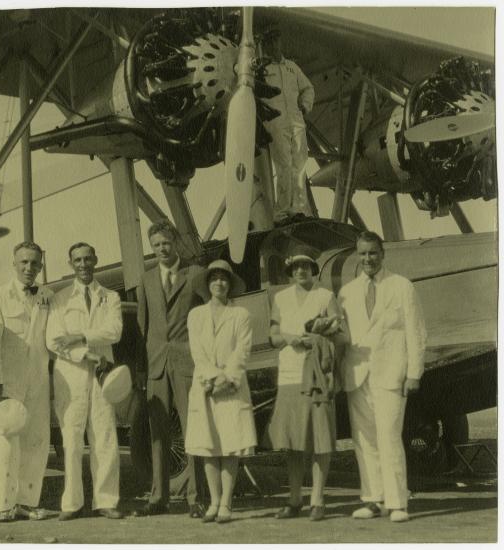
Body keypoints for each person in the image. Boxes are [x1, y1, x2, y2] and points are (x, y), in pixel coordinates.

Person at [338, 231, 427, 523]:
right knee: (363, 440)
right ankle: (373, 499)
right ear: (357, 254)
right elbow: (343, 336)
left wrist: (414, 373)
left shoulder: (401, 286)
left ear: (382, 254)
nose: (368, 259)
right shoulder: (347, 292)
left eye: (373, 253)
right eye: (362, 254)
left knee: (389, 437)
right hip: (357, 374)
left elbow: (415, 333)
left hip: (391, 374)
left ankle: (397, 502)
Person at [265, 245, 348, 521]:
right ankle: (295, 498)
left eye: (306, 266)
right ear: (290, 271)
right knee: (294, 441)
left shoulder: (325, 296)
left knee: (320, 439)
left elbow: (341, 336)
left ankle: (318, 499)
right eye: (296, 266)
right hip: (290, 375)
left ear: (314, 269)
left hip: (318, 375)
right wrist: (290, 338)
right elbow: (274, 335)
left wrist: (322, 344)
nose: (301, 270)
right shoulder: (281, 298)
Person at [46, 242, 124, 520]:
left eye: (87, 259)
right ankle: (72, 503)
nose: (83, 264)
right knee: (72, 438)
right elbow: (54, 339)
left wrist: (79, 337)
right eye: (77, 260)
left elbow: (114, 331)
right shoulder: (61, 298)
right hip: (71, 374)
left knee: (104, 436)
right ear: (71, 264)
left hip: (103, 374)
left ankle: (106, 500)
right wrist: (84, 354)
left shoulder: (110, 297)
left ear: (96, 260)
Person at [134, 220, 205, 518]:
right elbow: (142, 327)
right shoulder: (147, 280)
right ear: (151, 248)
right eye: (156, 245)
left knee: (193, 431)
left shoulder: (196, 274)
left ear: (175, 242)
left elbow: (206, 320)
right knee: (158, 434)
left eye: (166, 243)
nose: (162, 249)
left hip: (189, 362)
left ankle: (196, 497)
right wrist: (141, 367)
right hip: (156, 364)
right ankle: (158, 498)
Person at [0, 241, 53, 522]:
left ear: (41, 265)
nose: (29, 268)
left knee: (36, 441)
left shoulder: (47, 296)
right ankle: (3, 505)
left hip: (38, 378)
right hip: (9, 381)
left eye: (35, 263)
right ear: (14, 264)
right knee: (5, 441)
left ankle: (27, 502)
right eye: (24, 262)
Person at [185, 260, 257, 524]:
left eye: (224, 279)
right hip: (205, 386)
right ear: (207, 284)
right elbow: (198, 352)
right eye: (214, 278)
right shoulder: (196, 316)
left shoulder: (241, 315)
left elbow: (242, 350)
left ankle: (227, 502)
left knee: (231, 445)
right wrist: (213, 378)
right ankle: (213, 502)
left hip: (232, 387)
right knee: (209, 445)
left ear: (230, 284)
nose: (219, 283)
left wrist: (226, 378)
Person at [262, 26, 315, 221]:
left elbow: (308, 88)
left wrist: (305, 106)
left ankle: (300, 208)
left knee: (300, 164)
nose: (272, 45)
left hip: (296, 120)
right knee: (283, 165)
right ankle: (282, 211)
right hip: (276, 121)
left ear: (280, 42)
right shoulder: (263, 69)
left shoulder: (292, 67)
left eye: (275, 40)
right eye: (268, 42)